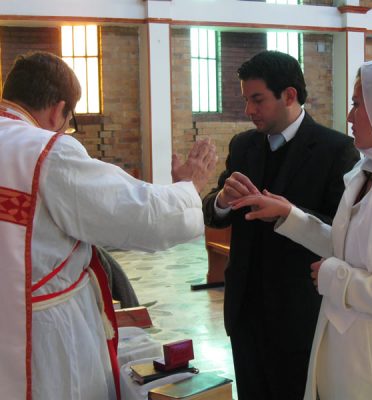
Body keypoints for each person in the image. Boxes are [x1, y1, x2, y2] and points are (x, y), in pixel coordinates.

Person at [0, 51, 216, 400]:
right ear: (58, 110)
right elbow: (140, 215)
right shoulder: (46, 152)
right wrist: (188, 187)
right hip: (39, 336)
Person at [230, 55, 372, 399]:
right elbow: (343, 246)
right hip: (334, 347)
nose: (349, 116)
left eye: (357, 104)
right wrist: (288, 215)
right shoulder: (366, 173)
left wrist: (338, 278)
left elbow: (344, 269)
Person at [202, 50, 360, 400]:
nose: (248, 111)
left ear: (289, 95)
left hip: (299, 312)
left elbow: (344, 231)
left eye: (257, 100)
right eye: (245, 100)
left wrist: (288, 213)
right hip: (244, 312)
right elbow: (212, 211)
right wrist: (222, 201)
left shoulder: (336, 150)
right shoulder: (243, 145)